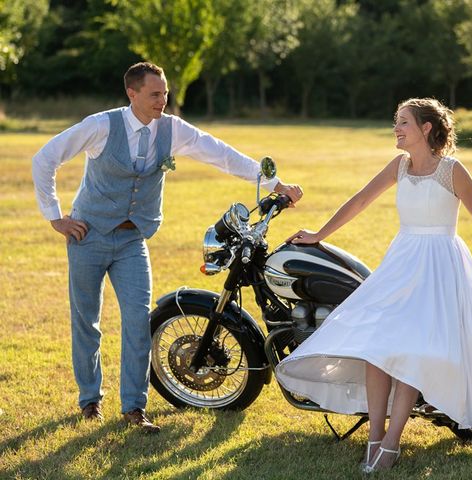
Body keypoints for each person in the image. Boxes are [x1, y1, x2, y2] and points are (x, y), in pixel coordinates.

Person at [32, 61, 303, 433]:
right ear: (132, 93)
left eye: (165, 93)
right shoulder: (100, 126)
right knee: (86, 323)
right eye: (155, 94)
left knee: (139, 322)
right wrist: (56, 216)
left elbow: (221, 153)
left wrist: (276, 184)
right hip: (88, 236)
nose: (163, 100)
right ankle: (90, 400)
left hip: (132, 239)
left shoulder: (171, 129)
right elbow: (44, 158)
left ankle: (134, 407)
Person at [275, 98, 472, 472]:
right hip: (402, 262)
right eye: (395, 122)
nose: (396, 129)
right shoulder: (399, 165)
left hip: (441, 264)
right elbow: (360, 200)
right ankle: (374, 438)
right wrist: (319, 233)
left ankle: (392, 445)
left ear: (426, 128)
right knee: (374, 347)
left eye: (403, 123)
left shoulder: (452, 170)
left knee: (410, 352)